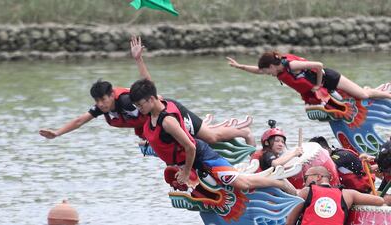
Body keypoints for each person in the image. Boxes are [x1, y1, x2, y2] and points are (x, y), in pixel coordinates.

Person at [39, 36, 256, 147]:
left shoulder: (126, 100)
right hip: (154, 126)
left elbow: (149, 86)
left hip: (170, 111)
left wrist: (138, 58)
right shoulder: (102, 109)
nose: (102, 104)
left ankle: (243, 133)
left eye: (104, 99)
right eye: (98, 101)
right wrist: (57, 133)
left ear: (112, 95)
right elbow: (79, 121)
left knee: (212, 137)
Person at [129, 78, 296, 193]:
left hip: (202, 157)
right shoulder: (153, 107)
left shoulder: (167, 121)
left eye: (139, 104)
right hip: (185, 162)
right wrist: (139, 60)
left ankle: (277, 182)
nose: (138, 108)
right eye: (136, 105)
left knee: (242, 184)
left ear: (151, 99)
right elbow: (149, 84)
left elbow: (190, 146)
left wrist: (186, 172)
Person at [227, 53, 391, 101]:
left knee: (363, 95)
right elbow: (257, 70)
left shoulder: (291, 66)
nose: (267, 74)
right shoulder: (278, 70)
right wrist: (240, 66)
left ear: (272, 66)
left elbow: (318, 65)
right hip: (322, 87)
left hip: (330, 78)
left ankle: (386, 95)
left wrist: (318, 85)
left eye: (267, 71)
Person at [286, 166, 384, 225]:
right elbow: (379, 201)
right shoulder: (348, 194)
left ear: (318, 177)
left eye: (306, 177)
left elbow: (289, 222)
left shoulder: (306, 192)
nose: (304, 182)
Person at [309, 136, 375, 193]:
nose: (316, 157)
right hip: (348, 190)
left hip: (361, 190)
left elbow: (326, 169)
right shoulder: (330, 155)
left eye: (317, 154)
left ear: (326, 149)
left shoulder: (341, 155)